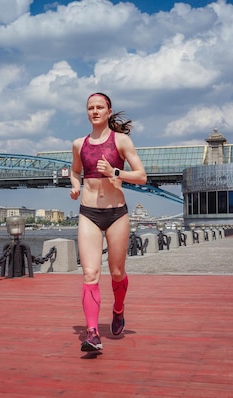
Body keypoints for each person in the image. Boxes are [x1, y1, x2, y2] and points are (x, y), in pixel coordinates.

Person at [70, 92, 147, 352]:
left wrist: (115, 172)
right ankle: (92, 333)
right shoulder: (79, 144)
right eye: (90, 107)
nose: (94, 111)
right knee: (90, 273)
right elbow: (75, 170)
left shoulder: (121, 141)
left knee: (116, 272)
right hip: (88, 213)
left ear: (109, 111)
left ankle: (118, 309)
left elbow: (141, 176)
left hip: (116, 214)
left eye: (99, 107)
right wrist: (74, 185)